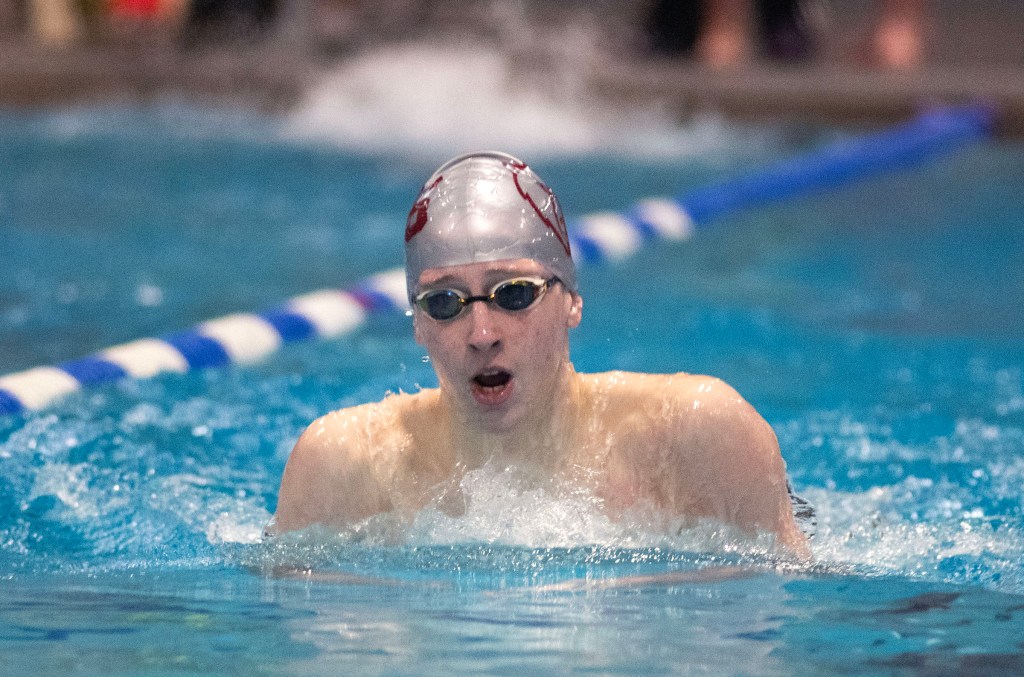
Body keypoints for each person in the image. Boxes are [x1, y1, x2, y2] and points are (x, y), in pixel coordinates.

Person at [269, 151, 811, 557]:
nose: (481, 332)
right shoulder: (344, 467)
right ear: (418, 326)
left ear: (572, 300)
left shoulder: (694, 435)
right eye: (445, 302)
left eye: (515, 294)